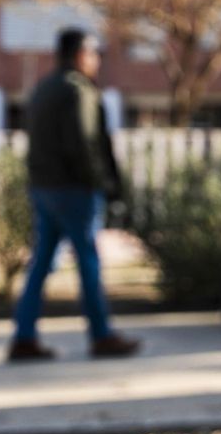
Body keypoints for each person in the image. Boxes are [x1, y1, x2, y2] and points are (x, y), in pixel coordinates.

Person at [8, 29, 140, 361]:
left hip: (44, 187)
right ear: (81, 54)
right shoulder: (78, 90)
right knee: (88, 261)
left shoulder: (43, 88)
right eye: (94, 54)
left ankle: (24, 336)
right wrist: (103, 184)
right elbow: (85, 143)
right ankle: (101, 335)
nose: (97, 61)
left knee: (41, 263)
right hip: (75, 190)